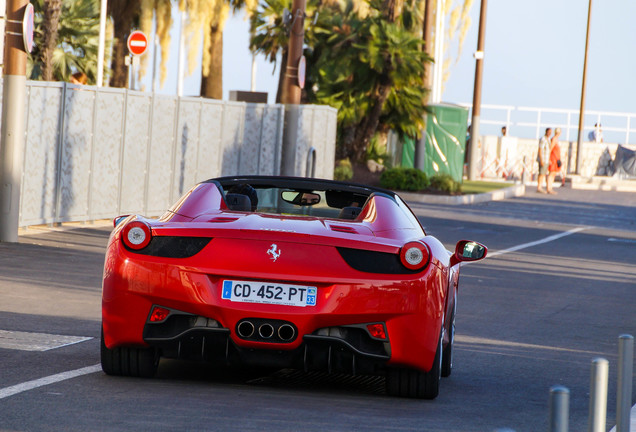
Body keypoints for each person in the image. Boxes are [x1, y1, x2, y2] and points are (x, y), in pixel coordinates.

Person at [547, 127, 562, 194]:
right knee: (551, 173)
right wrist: (549, 159)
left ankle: (550, 188)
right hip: (553, 158)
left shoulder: (557, 140)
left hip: (556, 159)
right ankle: (549, 188)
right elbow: (550, 149)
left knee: (554, 174)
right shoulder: (554, 139)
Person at [536, 127, 551, 193]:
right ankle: (539, 187)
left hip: (546, 159)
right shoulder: (543, 139)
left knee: (544, 174)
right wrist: (541, 160)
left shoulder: (548, 139)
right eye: (549, 132)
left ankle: (541, 187)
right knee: (541, 174)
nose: (550, 133)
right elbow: (540, 149)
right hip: (543, 159)